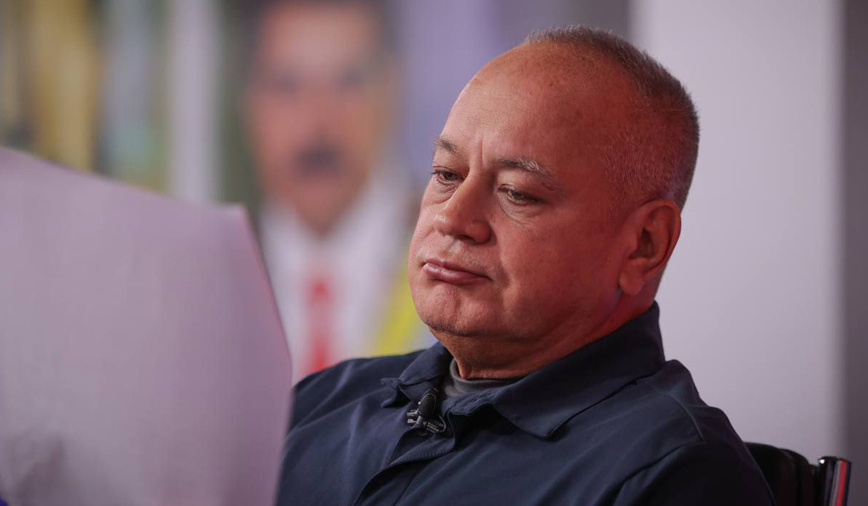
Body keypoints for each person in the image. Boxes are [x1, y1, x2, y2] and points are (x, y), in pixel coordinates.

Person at [276, 27, 775, 505]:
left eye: (516, 192)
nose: (452, 218)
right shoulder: (322, 400)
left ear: (644, 244)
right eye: (446, 174)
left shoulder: (676, 474)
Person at [243, 0, 428, 380]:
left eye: (348, 82)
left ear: (391, 91)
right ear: (249, 104)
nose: (318, 121)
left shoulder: (462, 264)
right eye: (287, 86)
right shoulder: (205, 283)